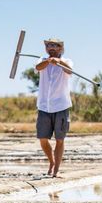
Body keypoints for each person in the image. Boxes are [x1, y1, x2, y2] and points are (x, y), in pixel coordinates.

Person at [35, 37, 73, 177]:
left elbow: (69, 71)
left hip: (61, 105)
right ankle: (51, 161)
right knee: (43, 138)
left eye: (55, 45)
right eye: (49, 45)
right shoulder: (41, 60)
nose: (51, 47)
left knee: (60, 139)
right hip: (44, 105)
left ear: (60, 49)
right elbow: (38, 68)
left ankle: (56, 169)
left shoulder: (67, 61)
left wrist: (59, 62)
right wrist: (48, 61)